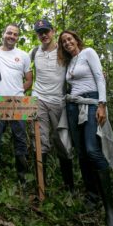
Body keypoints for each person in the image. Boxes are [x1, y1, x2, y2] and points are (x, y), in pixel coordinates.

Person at [58, 30, 113, 226]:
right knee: (82, 153)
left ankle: (110, 207)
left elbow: (100, 79)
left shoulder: (89, 53)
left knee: (93, 150)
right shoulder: (69, 62)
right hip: (73, 106)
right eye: (64, 41)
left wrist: (102, 104)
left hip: (91, 103)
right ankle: (92, 197)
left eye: (70, 39)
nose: (67, 43)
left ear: (76, 39)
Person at [31, 19, 75, 192]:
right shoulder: (34, 52)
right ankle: (41, 185)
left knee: (62, 142)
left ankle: (69, 186)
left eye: (46, 31)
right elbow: (19, 66)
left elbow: (80, 59)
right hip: (38, 100)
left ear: (53, 31)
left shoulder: (63, 51)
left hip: (58, 102)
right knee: (40, 142)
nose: (43, 35)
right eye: (40, 32)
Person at [0, 24, 33, 184]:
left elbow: (29, 80)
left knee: (20, 139)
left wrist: (18, 90)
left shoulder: (23, 55)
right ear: (3, 34)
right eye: (9, 33)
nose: (12, 36)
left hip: (17, 102)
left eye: (15, 34)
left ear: (17, 38)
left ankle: (22, 178)